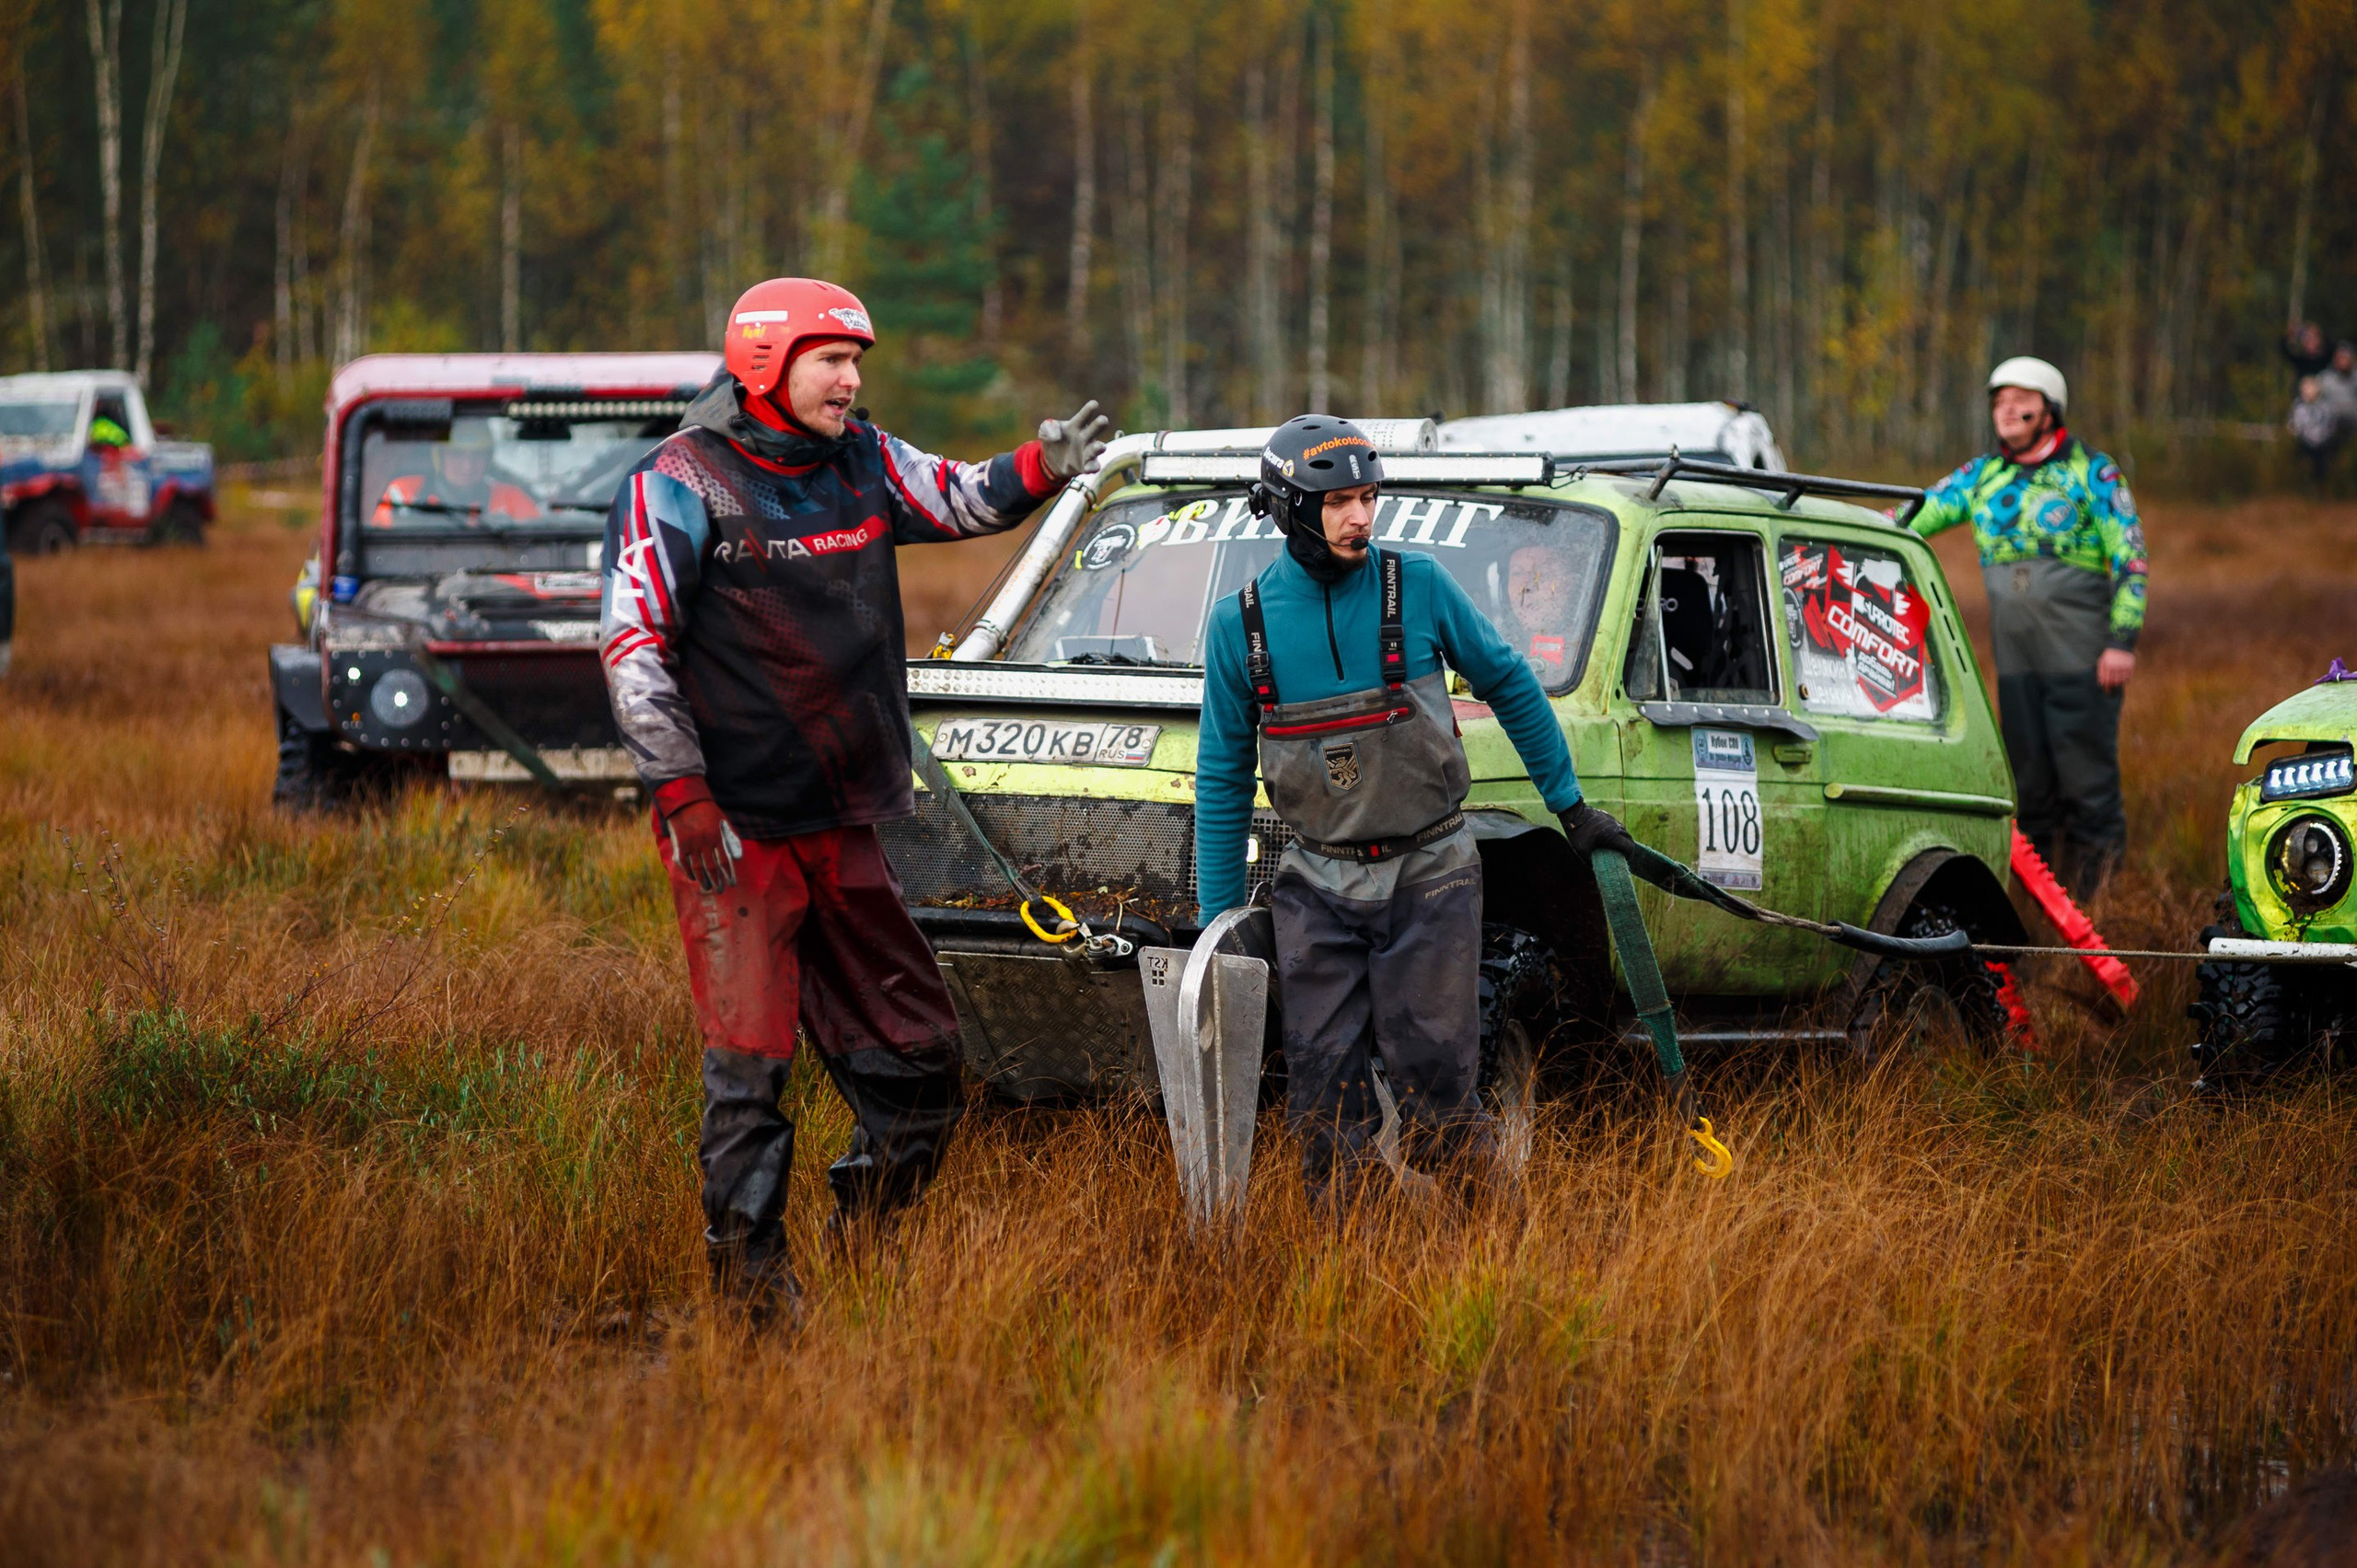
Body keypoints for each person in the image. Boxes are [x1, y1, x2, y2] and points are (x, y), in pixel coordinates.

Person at [599, 276, 1109, 1322]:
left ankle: (860, 1243)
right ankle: (753, 1303)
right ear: (764, 362)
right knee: (751, 1072)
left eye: (855, 361)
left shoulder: (863, 457)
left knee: (923, 1063)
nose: (849, 378)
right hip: (732, 833)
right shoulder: (677, 481)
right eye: (831, 359)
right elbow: (632, 644)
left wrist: (1042, 467)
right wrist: (682, 791)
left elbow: (958, 497)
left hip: (848, 820)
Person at [1192, 414, 1633, 1213]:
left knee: (1438, 1103)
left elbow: (1511, 682)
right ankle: (1358, 1270)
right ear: (1288, 508)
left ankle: (1499, 1250)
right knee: (1324, 1114)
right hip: (1317, 889)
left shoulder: (1419, 586)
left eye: (1368, 497)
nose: (1361, 516)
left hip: (1431, 879)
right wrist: (1215, 930)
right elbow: (1221, 780)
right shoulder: (1238, 628)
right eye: (1338, 502)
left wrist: (1572, 808)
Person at [1912, 356, 2147, 900]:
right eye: (1999, 400)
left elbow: (2131, 558)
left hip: (2083, 660)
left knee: (2087, 786)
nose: (2007, 409)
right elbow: (1913, 514)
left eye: (2021, 399)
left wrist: (2122, 641)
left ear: (2050, 409)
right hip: (2016, 664)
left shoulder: (2093, 471)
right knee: (2029, 790)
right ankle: (2039, 903)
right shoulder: (1981, 477)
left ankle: (2100, 907)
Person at [371, 420, 540, 527]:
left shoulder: (512, 499)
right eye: (457, 455)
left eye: (477, 456)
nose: (468, 466)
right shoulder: (402, 494)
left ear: (488, 460)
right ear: (439, 456)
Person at [2283, 320, 2333, 388]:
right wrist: (2291, 334)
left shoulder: (2327, 358)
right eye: (2307, 340)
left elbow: (2333, 346)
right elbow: (2284, 349)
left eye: (2313, 338)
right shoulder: (2300, 361)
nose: (2310, 342)